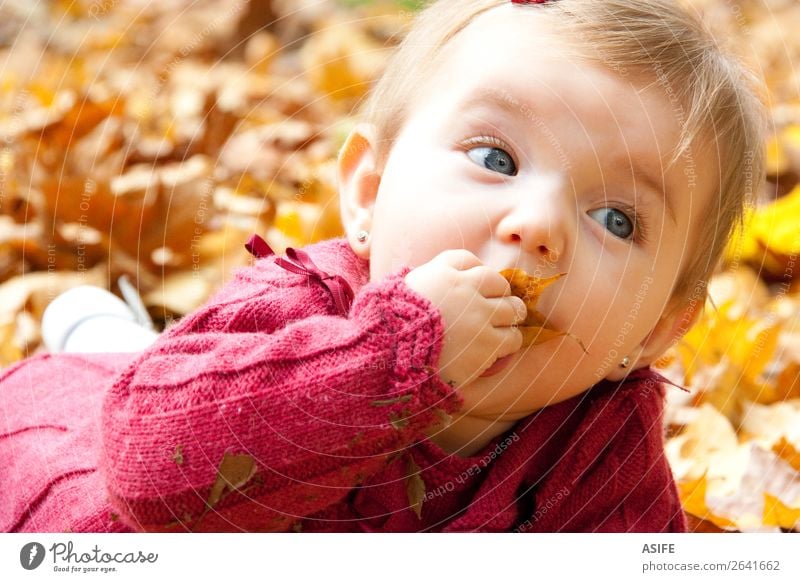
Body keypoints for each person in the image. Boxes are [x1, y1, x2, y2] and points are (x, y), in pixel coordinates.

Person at [0, 0, 766, 533]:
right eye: (496, 158)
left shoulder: (603, 450)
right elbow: (147, 477)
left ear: (659, 328)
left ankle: (117, 333)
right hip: (86, 466)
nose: (538, 229)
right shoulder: (297, 307)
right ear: (367, 193)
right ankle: (106, 335)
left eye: (617, 219)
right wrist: (396, 355)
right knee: (106, 390)